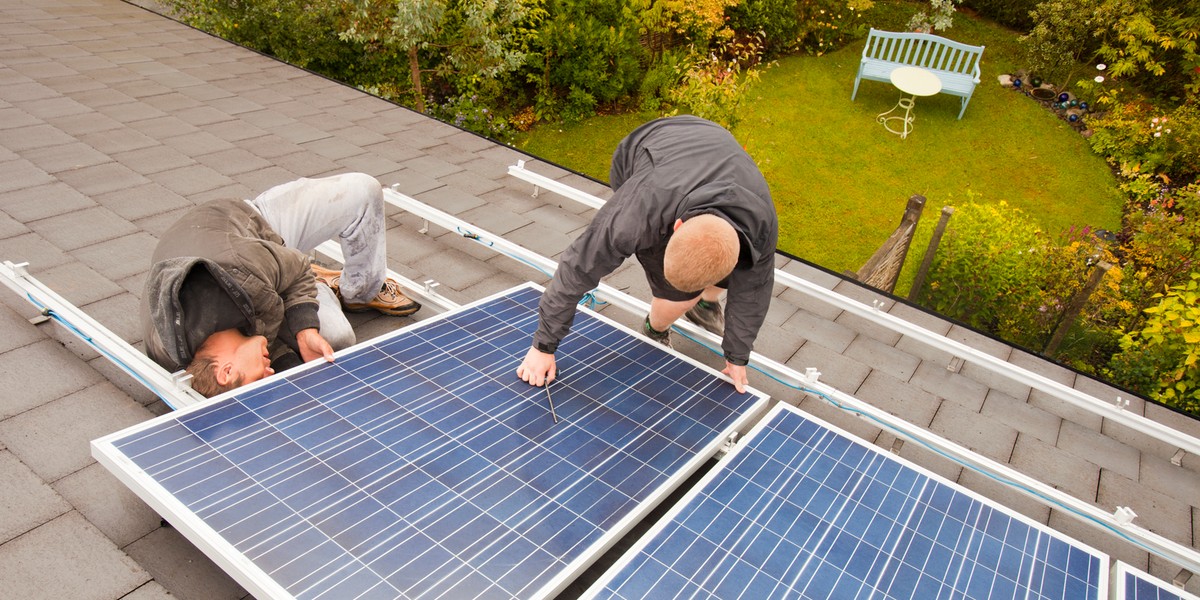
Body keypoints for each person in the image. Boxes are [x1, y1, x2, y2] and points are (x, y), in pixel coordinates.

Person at [516, 115, 778, 393]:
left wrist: (737, 356)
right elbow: (580, 265)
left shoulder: (760, 226)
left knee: (711, 276)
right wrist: (543, 346)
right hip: (649, 149)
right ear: (675, 227)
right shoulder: (639, 210)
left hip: (706, 154)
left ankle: (703, 303)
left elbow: (754, 291)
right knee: (678, 295)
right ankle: (656, 328)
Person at [140, 172, 420, 397]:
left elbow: (296, 269)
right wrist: (301, 345)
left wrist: (303, 320)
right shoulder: (179, 355)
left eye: (260, 377)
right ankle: (309, 279)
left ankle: (360, 292)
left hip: (250, 223)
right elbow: (260, 337)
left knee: (364, 190)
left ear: (225, 372)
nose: (269, 372)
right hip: (259, 272)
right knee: (337, 339)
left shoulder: (242, 270)